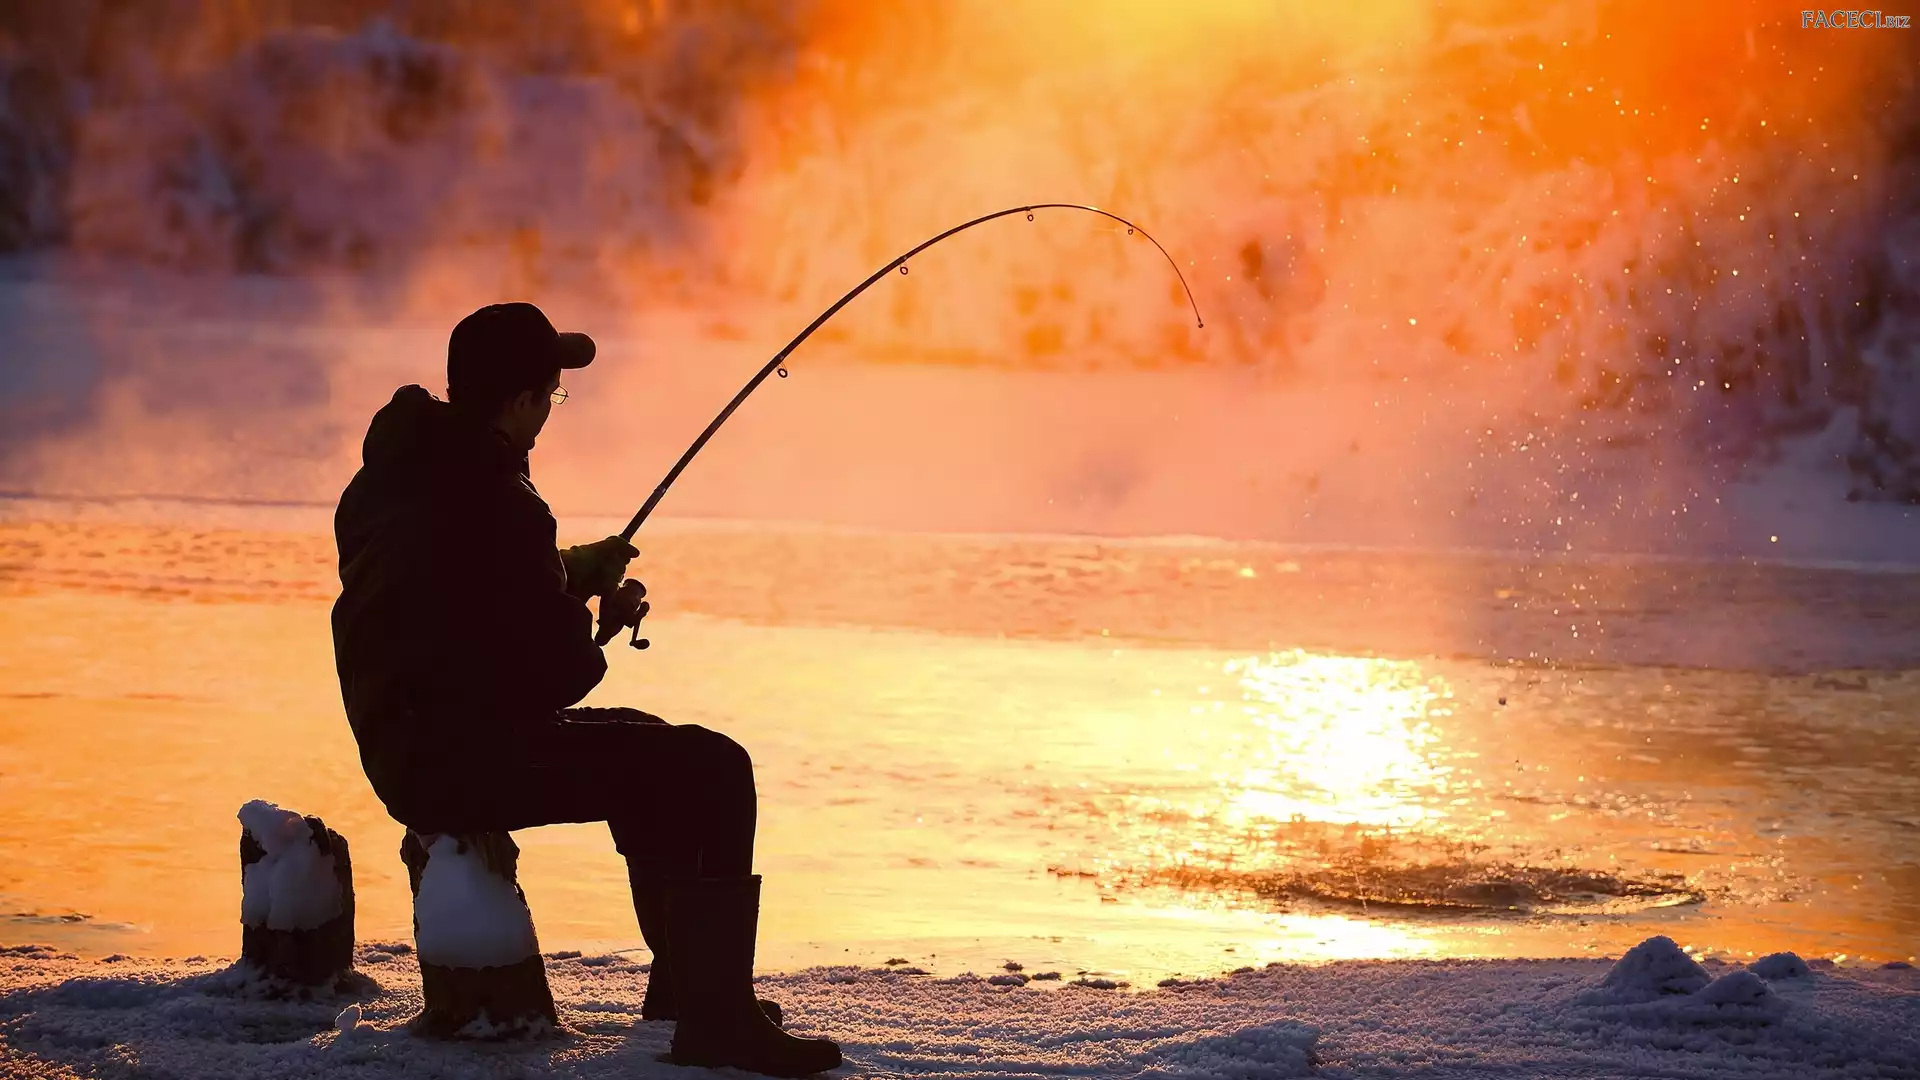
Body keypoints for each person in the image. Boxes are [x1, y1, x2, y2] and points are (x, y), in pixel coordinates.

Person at [330, 302, 840, 1077]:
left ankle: (689, 992)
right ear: (522, 401)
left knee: (650, 741)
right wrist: (597, 615)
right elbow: (555, 675)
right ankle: (717, 1021)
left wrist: (565, 572)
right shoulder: (501, 499)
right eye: (552, 395)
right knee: (714, 768)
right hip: (455, 759)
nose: (550, 413)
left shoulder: (396, 474)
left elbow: (458, 595)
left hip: (404, 738)